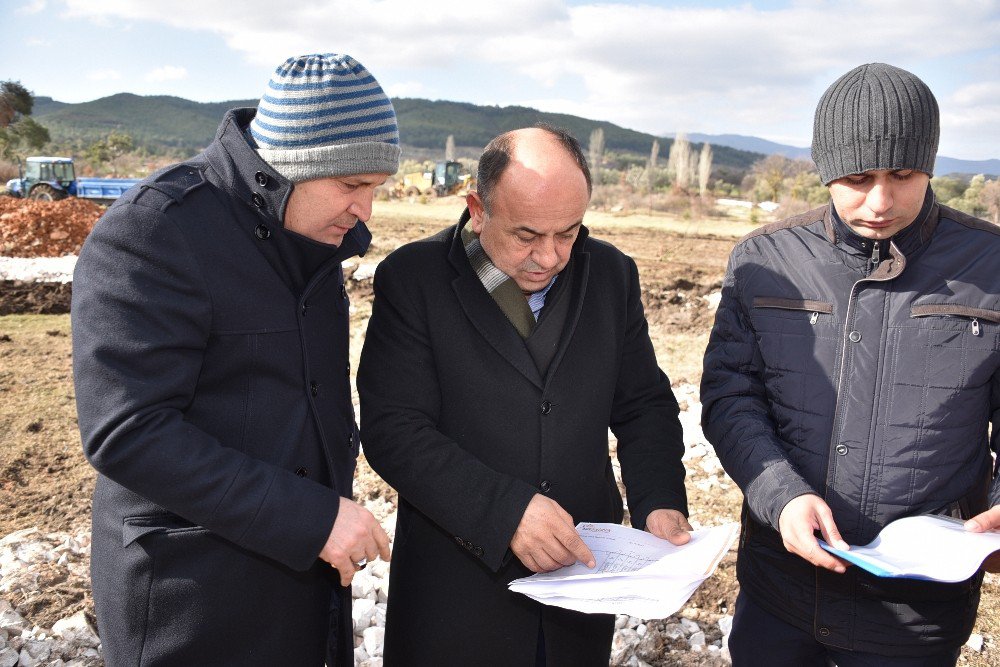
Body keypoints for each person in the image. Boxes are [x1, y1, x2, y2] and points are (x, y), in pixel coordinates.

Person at [71, 53, 398, 666]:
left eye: (375, 189)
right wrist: (311, 517)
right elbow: (128, 432)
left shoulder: (315, 239)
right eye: (352, 187)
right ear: (289, 165)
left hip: (304, 591)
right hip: (193, 599)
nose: (366, 212)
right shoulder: (155, 231)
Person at [700, 62, 1000, 666]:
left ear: (932, 164)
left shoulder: (990, 265)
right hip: (780, 594)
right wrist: (780, 495)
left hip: (915, 613)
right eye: (858, 177)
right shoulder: (766, 260)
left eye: (904, 174)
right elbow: (731, 398)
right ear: (825, 168)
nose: (881, 201)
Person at [357, 124, 691, 665]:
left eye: (569, 232)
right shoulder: (413, 279)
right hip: (457, 586)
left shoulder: (611, 275)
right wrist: (505, 511)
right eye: (527, 235)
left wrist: (660, 504)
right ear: (478, 208)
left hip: (580, 586)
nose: (551, 256)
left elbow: (643, 405)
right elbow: (394, 430)